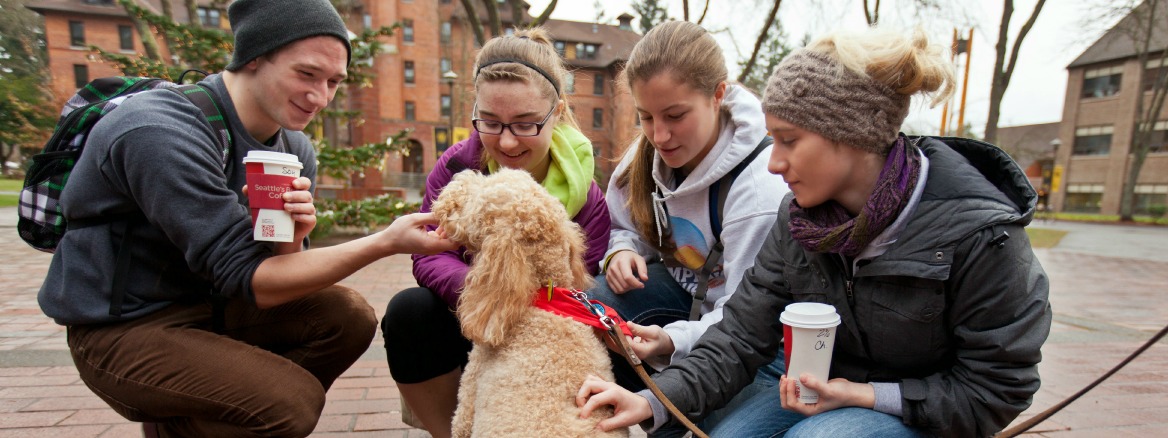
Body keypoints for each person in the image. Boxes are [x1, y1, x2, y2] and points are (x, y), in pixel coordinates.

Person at [577, 26, 1052, 438]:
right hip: (819, 388)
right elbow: (740, 335)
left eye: (788, 140)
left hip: (922, 412)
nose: (774, 161)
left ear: (851, 135)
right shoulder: (798, 217)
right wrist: (655, 401)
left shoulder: (982, 236)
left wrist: (865, 396)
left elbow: (996, 388)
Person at [36, 1, 456, 436]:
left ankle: (199, 416)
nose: (321, 97)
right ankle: (210, 413)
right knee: (291, 403)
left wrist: (291, 239)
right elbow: (252, 278)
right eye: (306, 74)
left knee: (346, 316)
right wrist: (385, 241)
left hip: (214, 306)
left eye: (334, 81)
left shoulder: (293, 147)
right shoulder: (158, 130)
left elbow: (279, 274)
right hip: (123, 327)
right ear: (253, 56)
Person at [380, 28, 611, 438]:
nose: (505, 140)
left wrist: (522, 299)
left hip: (542, 328)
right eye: (490, 121)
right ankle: (446, 430)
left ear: (556, 112)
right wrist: (486, 289)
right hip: (465, 311)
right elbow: (430, 252)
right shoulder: (455, 167)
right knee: (409, 312)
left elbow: (581, 278)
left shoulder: (586, 194)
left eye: (525, 124)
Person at [587, 20, 788, 435]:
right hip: (687, 299)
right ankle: (659, 420)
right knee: (600, 305)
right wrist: (621, 249)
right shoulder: (648, 154)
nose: (659, 135)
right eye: (645, 117)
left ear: (718, 94)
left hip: (749, 333)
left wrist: (672, 341)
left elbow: (742, 323)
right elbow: (620, 223)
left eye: (675, 116)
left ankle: (680, 412)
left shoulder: (758, 195)